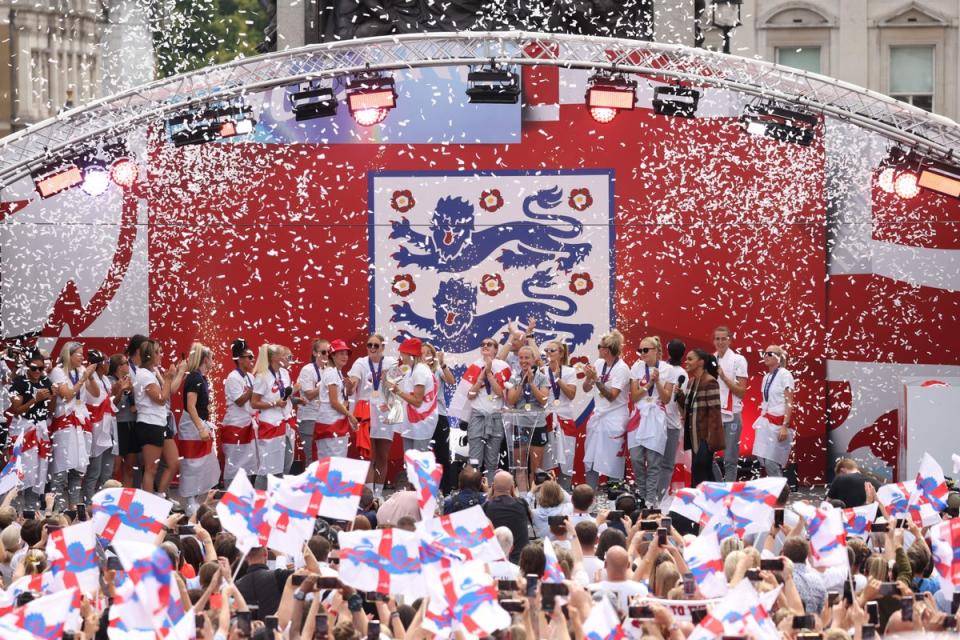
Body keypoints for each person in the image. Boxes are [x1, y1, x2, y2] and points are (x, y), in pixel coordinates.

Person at [133, 340, 186, 497]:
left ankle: (160, 496)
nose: (161, 355)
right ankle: (149, 504)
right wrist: (169, 379)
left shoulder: (151, 372)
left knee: (173, 462)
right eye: (157, 352)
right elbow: (161, 398)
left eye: (161, 352)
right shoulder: (143, 374)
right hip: (149, 424)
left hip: (160, 423)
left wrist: (172, 377)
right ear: (149, 355)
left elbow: (168, 392)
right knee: (151, 468)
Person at [49, 342, 97, 511]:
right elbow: (67, 395)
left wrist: (90, 376)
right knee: (62, 470)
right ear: (68, 355)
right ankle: (57, 511)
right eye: (79, 354)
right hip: (65, 423)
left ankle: (74, 510)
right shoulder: (58, 371)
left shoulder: (82, 371)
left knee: (78, 470)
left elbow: (96, 393)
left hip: (81, 422)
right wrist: (83, 379)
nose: (83, 357)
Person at [347, 335, 396, 493]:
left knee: (382, 455)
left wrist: (387, 380)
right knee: (368, 455)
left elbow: (396, 387)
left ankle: (378, 494)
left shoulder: (391, 362)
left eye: (376, 345)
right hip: (366, 411)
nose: (372, 348)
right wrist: (350, 386)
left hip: (384, 410)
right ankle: (368, 496)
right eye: (369, 345)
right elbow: (353, 383)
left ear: (382, 347)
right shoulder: (360, 363)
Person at [582, 330, 631, 487]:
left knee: (613, 462)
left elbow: (612, 396)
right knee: (590, 458)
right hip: (598, 417)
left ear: (607, 349)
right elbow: (585, 389)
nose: (598, 349)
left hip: (615, 419)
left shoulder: (622, 368)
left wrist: (596, 379)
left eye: (599, 346)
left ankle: (615, 498)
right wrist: (589, 377)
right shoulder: (599, 364)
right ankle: (591, 496)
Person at [628, 336, 672, 507]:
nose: (642, 353)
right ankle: (644, 496)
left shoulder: (667, 369)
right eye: (640, 350)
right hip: (638, 415)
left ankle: (650, 500)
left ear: (656, 351)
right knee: (636, 459)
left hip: (656, 416)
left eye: (646, 350)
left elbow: (666, 399)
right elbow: (634, 395)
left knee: (654, 462)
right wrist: (648, 384)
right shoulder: (636, 367)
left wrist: (658, 382)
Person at [7, 350, 54, 510]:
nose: (38, 372)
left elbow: (51, 411)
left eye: (41, 369)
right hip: (23, 431)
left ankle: (31, 510)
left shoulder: (46, 381)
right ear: (27, 366)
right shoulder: (19, 383)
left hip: (40, 431)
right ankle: (13, 510)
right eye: (34, 368)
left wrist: (51, 398)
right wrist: (35, 399)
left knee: (38, 471)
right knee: (21, 471)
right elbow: (16, 409)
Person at [178, 343, 220, 514]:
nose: (213, 362)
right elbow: (191, 406)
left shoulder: (200, 378)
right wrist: (201, 428)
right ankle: (189, 502)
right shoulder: (195, 378)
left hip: (198, 424)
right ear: (205, 359)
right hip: (192, 427)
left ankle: (196, 499)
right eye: (212, 358)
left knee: (204, 465)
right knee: (192, 465)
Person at [464, 338, 511, 481]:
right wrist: (481, 376)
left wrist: (489, 374)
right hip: (478, 417)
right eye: (482, 344)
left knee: (492, 461)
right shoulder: (474, 366)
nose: (485, 346)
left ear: (496, 349)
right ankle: (472, 492)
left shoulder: (503, 366)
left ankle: (490, 492)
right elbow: (470, 395)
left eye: (489, 344)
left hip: (495, 417)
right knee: (474, 460)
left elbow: (500, 393)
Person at [504, 345, 549, 489]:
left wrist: (531, 383)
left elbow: (544, 400)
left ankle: (535, 500)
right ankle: (523, 498)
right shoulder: (514, 377)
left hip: (537, 425)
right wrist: (523, 382)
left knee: (537, 468)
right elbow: (510, 401)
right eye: (521, 358)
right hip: (520, 425)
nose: (523, 361)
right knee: (520, 466)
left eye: (526, 358)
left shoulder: (542, 377)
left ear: (534, 359)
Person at [678, 348, 724, 486]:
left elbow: (715, 413)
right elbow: (690, 407)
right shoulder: (692, 382)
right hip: (694, 435)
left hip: (705, 436)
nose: (686, 362)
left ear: (701, 362)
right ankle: (709, 499)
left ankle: (706, 499)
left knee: (701, 469)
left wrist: (710, 439)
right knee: (700, 470)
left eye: (690, 359)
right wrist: (680, 396)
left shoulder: (710, 381)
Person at [250, 344, 293, 488]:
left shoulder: (284, 373)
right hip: (270, 425)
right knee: (269, 467)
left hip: (284, 423)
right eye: (283, 354)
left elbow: (284, 396)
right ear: (274, 357)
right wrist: (274, 403)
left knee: (286, 463)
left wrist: (296, 399)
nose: (287, 357)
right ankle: (259, 499)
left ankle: (276, 497)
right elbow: (254, 403)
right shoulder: (262, 376)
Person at [751, 346, 796, 478]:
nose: (765, 356)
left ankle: (780, 494)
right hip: (767, 422)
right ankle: (776, 492)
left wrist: (784, 426)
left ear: (779, 357)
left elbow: (789, 401)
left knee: (772, 462)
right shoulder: (766, 377)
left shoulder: (785, 375)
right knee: (763, 459)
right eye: (764, 353)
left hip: (779, 423)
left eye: (769, 353)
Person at [388, 337, 438, 453]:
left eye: (402, 352)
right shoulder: (412, 370)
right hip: (412, 423)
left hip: (421, 424)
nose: (400, 355)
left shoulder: (420, 371)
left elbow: (417, 401)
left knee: (418, 464)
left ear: (409, 354)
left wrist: (398, 392)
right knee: (410, 463)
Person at [541, 340, 578, 491]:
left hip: (565, 420)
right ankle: (547, 494)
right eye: (547, 351)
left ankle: (566, 493)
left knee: (567, 460)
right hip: (547, 419)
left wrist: (558, 378)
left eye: (552, 351)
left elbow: (571, 395)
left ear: (561, 353)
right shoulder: (542, 371)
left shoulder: (569, 372)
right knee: (547, 460)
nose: (549, 354)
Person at [713, 326, 748, 482]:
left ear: (730, 340)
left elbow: (741, 391)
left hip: (732, 413)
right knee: (707, 456)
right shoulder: (712, 359)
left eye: (723, 338)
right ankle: (721, 486)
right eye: (717, 339)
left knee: (730, 459)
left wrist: (724, 377)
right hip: (714, 413)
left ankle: (730, 492)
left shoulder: (738, 360)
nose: (720, 342)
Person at [81, 350, 116, 504]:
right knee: (94, 470)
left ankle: (104, 502)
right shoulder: (90, 379)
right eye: (107, 362)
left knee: (107, 470)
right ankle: (89, 502)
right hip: (96, 426)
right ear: (100, 364)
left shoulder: (106, 380)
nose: (109, 365)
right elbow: (96, 399)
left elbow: (111, 401)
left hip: (108, 426)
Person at [313, 340, 356, 461]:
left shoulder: (337, 372)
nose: (345, 357)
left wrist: (349, 388)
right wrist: (350, 415)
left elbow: (340, 397)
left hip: (336, 422)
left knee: (336, 462)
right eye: (341, 353)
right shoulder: (331, 373)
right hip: (330, 423)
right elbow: (334, 401)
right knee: (332, 462)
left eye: (346, 354)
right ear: (332, 355)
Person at [222, 339, 257, 483]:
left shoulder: (250, 376)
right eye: (249, 357)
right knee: (234, 463)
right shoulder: (233, 378)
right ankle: (230, 495)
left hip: (248, 426)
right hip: (235, 426)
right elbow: (239, 401)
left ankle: (245, 494)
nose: (252, 360)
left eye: (252, 357)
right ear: (240, 359)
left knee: (248, 462)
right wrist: (252, 391)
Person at [422, 342, 456, 493]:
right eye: (422, 353)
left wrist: (442, 364)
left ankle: (446, 489)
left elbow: (451, 381)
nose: (425, 356)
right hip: (421, 418)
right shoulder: (415, 371)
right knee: (423, 454)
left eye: (428, 353)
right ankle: (425, 488)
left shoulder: (438, 369)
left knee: (442, 454)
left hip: (439, 415)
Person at [118, 334, 148, 488]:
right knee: (119, 466)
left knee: (136, 463)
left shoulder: (145, 367)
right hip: (123, 421)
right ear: (138, 350)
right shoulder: (125, 366)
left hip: (139, 420)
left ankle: (132, 497)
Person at [483, 471, 530, 564]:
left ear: (493, 487)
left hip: (495, 561)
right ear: (512, 488)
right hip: (520, 561)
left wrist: (488, 493)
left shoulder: (486, 507)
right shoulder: (522, 504)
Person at [235, 546, 293, 620]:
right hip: (276, 629)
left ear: (245, 556)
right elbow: (309, 573)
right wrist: (281, 557)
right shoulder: (279, 576)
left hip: (246, 630)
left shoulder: (236, 586)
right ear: (266, 553)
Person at [659, 338, 686, 498]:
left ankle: (655, 496)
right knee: (666, 464)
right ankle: (658, 497)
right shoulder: (680, 373)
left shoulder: (663, 368)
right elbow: (683, 401)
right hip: (670, 422)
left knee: (658, 463)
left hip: (664, 421)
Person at [297, 338, 330, 468]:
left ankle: (321, 486)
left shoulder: (329, 370)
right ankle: (311, 487)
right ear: (315, 353)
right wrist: (325, 384)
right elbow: (309, 395)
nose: (327, 355)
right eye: (323, 352)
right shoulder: (308, 370)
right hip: (309, 418)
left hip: (324, 418)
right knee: (312, 458)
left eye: (329, 352)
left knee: (323, 457)